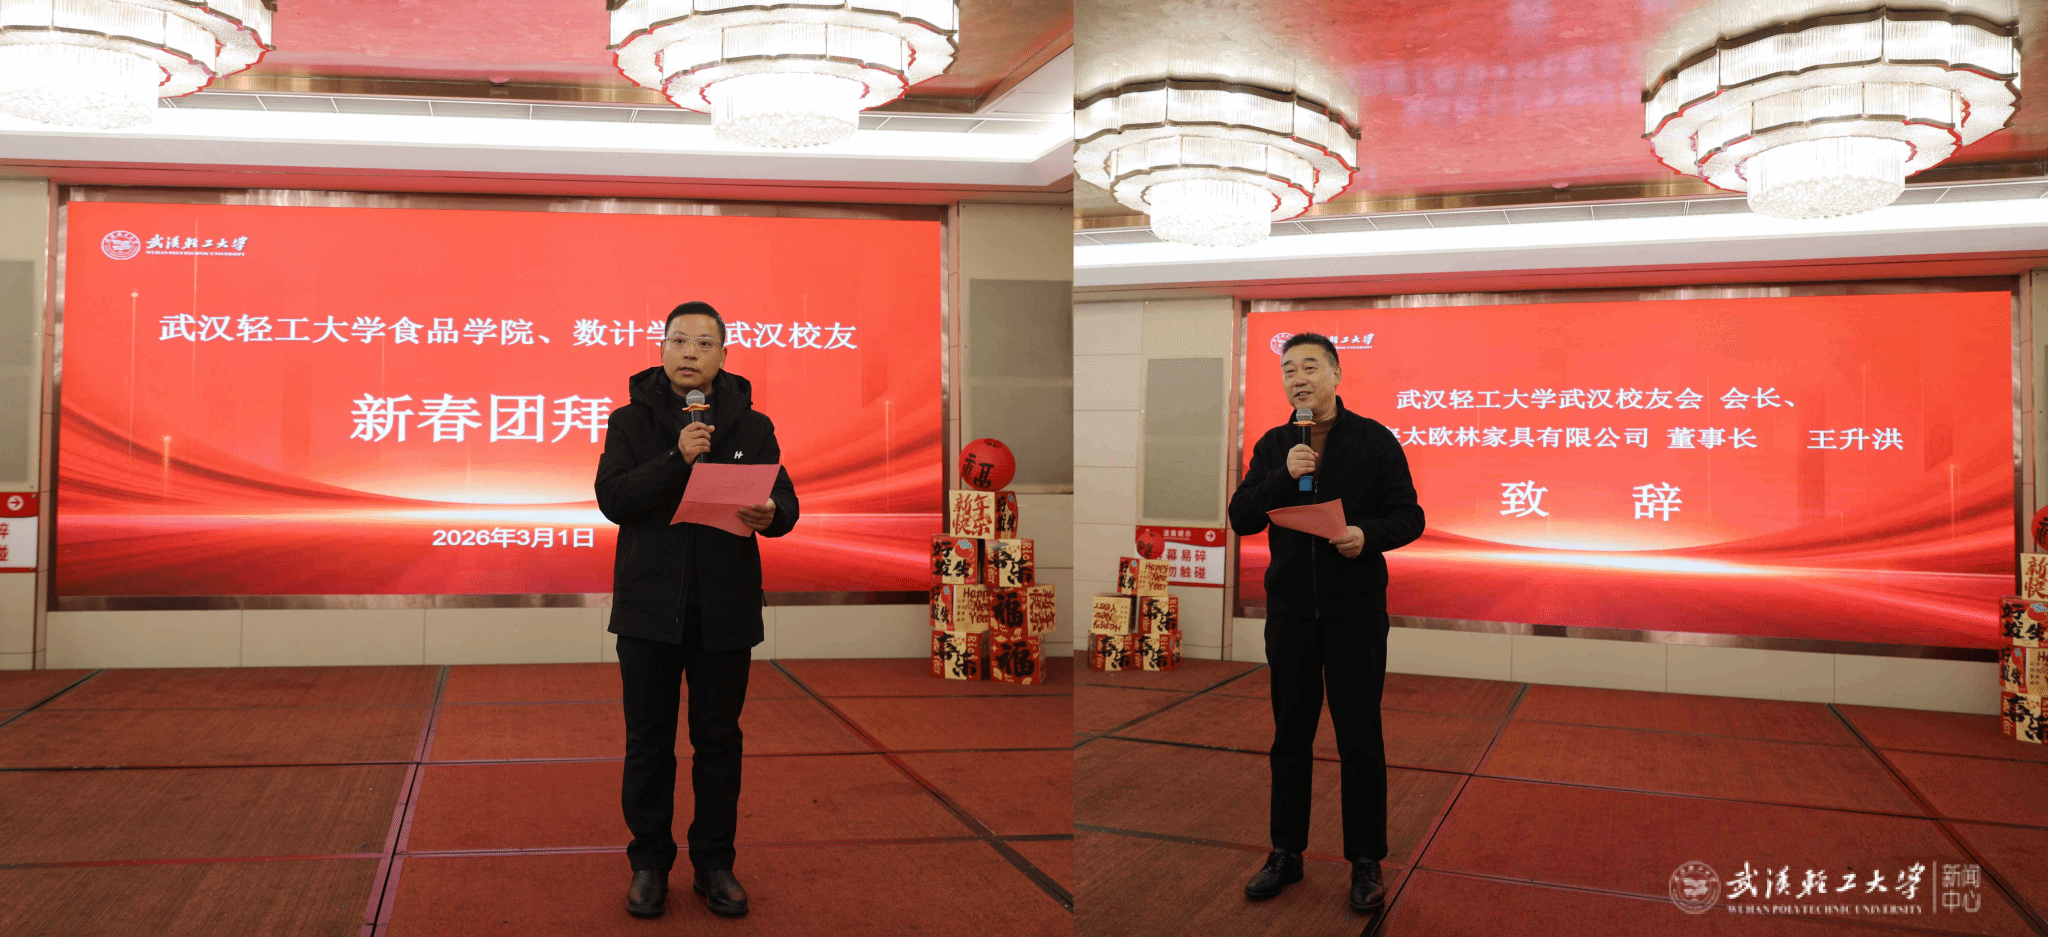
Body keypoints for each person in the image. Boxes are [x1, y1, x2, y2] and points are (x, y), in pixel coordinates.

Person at [594, 300, 799, 920]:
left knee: (718, 743)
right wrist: (675, 458)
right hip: (649, 609)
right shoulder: (629, 421)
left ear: (723, 356)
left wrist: (771, 514)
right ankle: (649, 865)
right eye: (679, 341)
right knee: (648, 744)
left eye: (704, 343)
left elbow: (785, 505)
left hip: (724, 611)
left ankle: (715, 865)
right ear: (661, 349)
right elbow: (613, 498)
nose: (690, 353)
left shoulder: (753, 426)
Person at [1226, 331, 1424, 915]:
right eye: (1289, 370)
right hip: (1290, 614)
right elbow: (1242, 518)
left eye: (1310, 367)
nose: (1299, 378)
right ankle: (1285, 852)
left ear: (1336, 373)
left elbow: (1409, 515)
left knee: (1359, 737)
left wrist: (1368, 536)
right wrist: (1282, 476)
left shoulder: (1374, 439)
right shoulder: (1274, 444)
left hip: (1354, 611)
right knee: (1290, 736)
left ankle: (1365, 860)